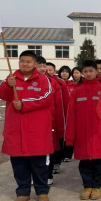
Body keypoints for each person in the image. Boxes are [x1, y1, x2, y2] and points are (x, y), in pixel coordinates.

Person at [0, 50, 54, 201]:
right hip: (16, 129)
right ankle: (23, 193)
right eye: (22, 61)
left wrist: (24, 105)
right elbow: (1, 94)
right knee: (19, 164)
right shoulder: (12, 78)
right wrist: (8, 86)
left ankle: (42, 192)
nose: (25, 64)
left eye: (29, 62)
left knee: (39, 164)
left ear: (35, 64)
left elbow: (47, 98)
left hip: (36, 130)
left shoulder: (43, 80)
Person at [65, 60, 101, 200]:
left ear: (96, 72)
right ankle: (87, 186)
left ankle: (97, 187)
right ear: (82, 73)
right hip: (82, 134)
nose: (88, 74)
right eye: (85, 71)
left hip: (99, 133)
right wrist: (70, 137)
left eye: (91, 71)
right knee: (85, 163)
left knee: (99, 162)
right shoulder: (77, 91)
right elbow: (71, 116)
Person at [36, 57, 64, 186]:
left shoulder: (53, 83)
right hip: (33, 123)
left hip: (50, 122)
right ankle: (35, 175)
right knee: (35, 151)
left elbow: (59, 105)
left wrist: (60, 126)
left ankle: (48, 175)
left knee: (49, 150)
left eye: (44, 66)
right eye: (39, 66)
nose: (42, 69)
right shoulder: (27, 82)